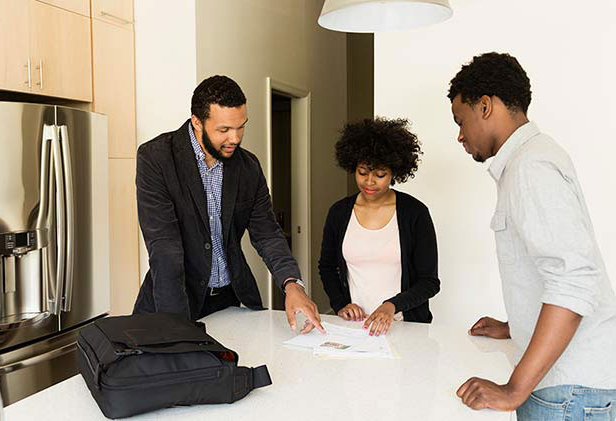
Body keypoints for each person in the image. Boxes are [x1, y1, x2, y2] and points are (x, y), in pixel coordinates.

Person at [450, 52, 616, 420]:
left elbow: (574, 280)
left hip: (569, 391)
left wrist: (514, 389)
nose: (460, 135)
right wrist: (516, 325)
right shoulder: (529, 160)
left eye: (461, 121)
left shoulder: (531, 166)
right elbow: (557, 267)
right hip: (570, 386)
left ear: (486, 106)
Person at [133, 75, 323, 333]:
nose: (235, 138)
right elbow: (164, 248)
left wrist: (292, 284)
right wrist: (177, 330)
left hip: (230, 301)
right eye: (224, 130)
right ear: (197, 122)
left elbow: (267, 234)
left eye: (241, 127)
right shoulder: (157, 159)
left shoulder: (248, 167)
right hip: (174, 304)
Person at [318, 117, 440, 336]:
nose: (369, 182)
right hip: (355, 328)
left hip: (405, 327)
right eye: (362, 173)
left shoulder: (415, 213)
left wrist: (391, 306)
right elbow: (326, 267)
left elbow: (429, 282)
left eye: (380, 175)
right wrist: (340, 304)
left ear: (394, 172)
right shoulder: (339, 212)